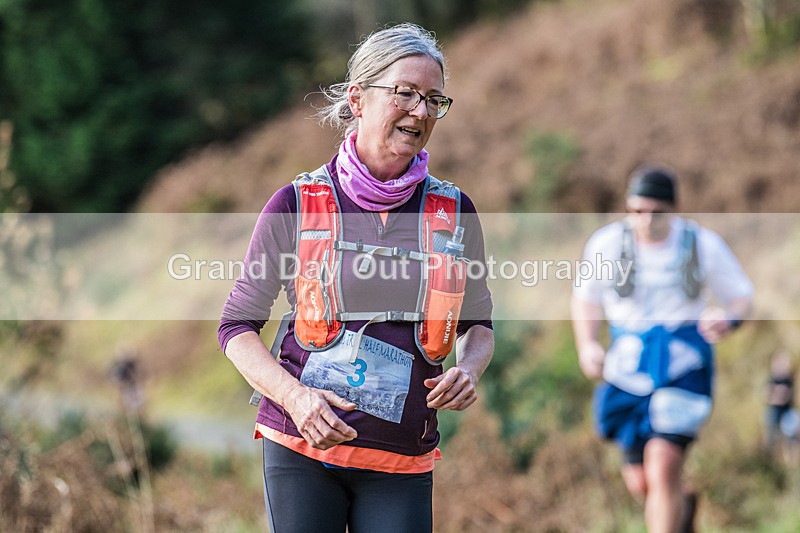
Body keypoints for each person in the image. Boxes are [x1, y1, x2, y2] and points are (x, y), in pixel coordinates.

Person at [218, 23, 494, 533]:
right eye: (405, 93)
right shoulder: (295, 204)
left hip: (401, 457)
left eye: (434, 100)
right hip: (302, 445)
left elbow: (479, 323)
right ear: (358, 99)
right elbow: (235, 328)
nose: (420, 111)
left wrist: (470, 369)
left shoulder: (454, 211)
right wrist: (296, 399)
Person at [571, 165, 753, 533]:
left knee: (662, 466)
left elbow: (742, 298)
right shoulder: (607, 244)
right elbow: (586, 299)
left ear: (674, 208)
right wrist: (587, 345)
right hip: (627, 371)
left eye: (657, 212)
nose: (647, 220)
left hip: (683, 368)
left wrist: (728, 320)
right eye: (638, 211)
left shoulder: (702, 244)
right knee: (641, 482)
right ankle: (683, 505)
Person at [764, 349, 798, 458]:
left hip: (787, 411)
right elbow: (768, 396)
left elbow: (788, 396)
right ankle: (769, 457)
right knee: (772, 435)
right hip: (774, 411)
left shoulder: (789, 380)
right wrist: (778, 397)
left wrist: (780, 396)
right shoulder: (772, 379)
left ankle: (791, 457)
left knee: (791, 436)